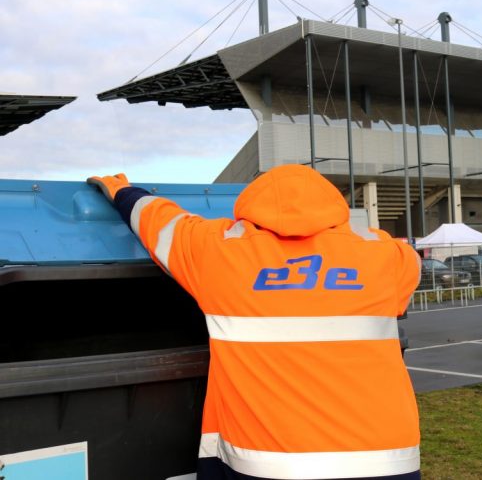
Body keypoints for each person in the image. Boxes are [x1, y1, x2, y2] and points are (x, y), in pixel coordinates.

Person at [88, 164, 421, 480]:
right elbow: (407, 272)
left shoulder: (218, 251)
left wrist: (123, 191)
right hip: (385, 456)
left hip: (270, 460)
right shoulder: (386, 256)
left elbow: (159, 221)